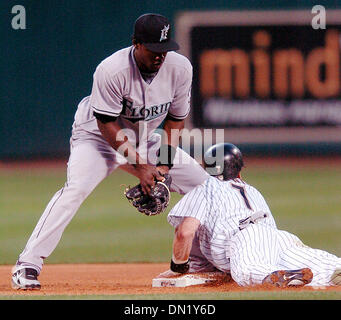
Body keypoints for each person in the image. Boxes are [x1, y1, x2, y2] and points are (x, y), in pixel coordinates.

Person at [11, 13, 209, 290]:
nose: (160, 56)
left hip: (144, 138)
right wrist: (141, 168)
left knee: (204, 187)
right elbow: (106, 123)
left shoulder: (180, 68)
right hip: (96, 138)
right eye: (153, 49)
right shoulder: (112, 70)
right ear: (136, 44)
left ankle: (202, 261)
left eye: (164, 50)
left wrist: (161, 169)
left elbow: (175, 120)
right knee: (76, 189)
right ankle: (27, 264)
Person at [158, 143, 341, 288]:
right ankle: (333, 267)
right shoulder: (252, 190)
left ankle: (278, 275)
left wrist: (178, 268)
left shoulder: (205, 187)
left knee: (246, 271)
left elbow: (185, 232)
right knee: (306, 257)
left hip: (243, 239)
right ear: (239, 171)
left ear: (208, 170)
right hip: (278, 237)